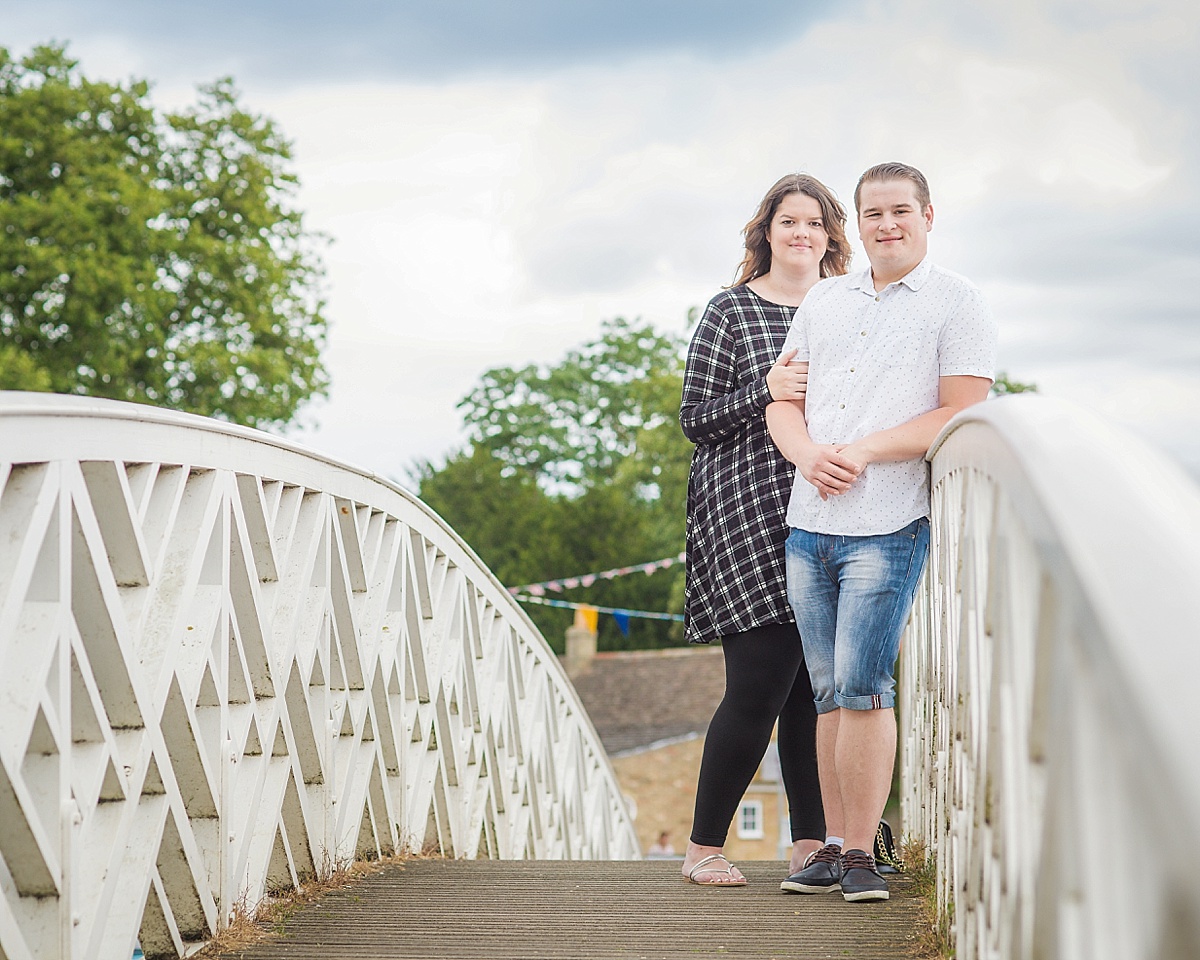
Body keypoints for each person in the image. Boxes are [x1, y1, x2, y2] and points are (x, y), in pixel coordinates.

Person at [767, 162, 997, 902]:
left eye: (901, 210)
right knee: (829, 691)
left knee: (865, 686)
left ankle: (863, 852)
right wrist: (805, 454)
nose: (886, 225)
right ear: (857, 223)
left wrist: (864, 450)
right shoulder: (825, 300)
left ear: (929, 213)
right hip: (809, 523)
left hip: (888, 522)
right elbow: (783, 400)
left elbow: (959, 411)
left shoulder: (958, 302)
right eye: (872, 213)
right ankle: (830, 846)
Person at [678, 173, 852, 886]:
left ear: (830, 237)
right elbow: (695, 419)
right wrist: (766, 391)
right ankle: (702, 850)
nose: (801, 233)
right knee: (758, 683)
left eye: (814, 223)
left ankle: (810, 843)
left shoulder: (848, 309)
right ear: (768, 232)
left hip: (830, 507)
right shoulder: (732, 311)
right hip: (746, 513)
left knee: (813, 691)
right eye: (789, 221)